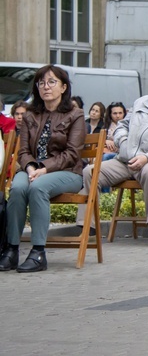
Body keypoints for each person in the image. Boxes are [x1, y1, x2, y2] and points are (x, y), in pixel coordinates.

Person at [74, 69, 148, 247]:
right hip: (125, 159)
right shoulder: (143, 101)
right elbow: (123, 125)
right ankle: (88, 230)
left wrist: (147, 157)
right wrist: (123, 143)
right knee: (90, 172)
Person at [0, 65, 85, 272]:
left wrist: (44, 169)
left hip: (67, 173)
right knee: (18, 188)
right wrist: (30, 167)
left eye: (51, 82)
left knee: (38, 188)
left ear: (63, 87)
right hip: (32, 170)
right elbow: (24, 150)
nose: (45, 87)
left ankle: (38, 252)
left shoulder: (76, 114)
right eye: (41, 83)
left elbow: (72, 154)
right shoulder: (30, 115)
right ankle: (11, 250)